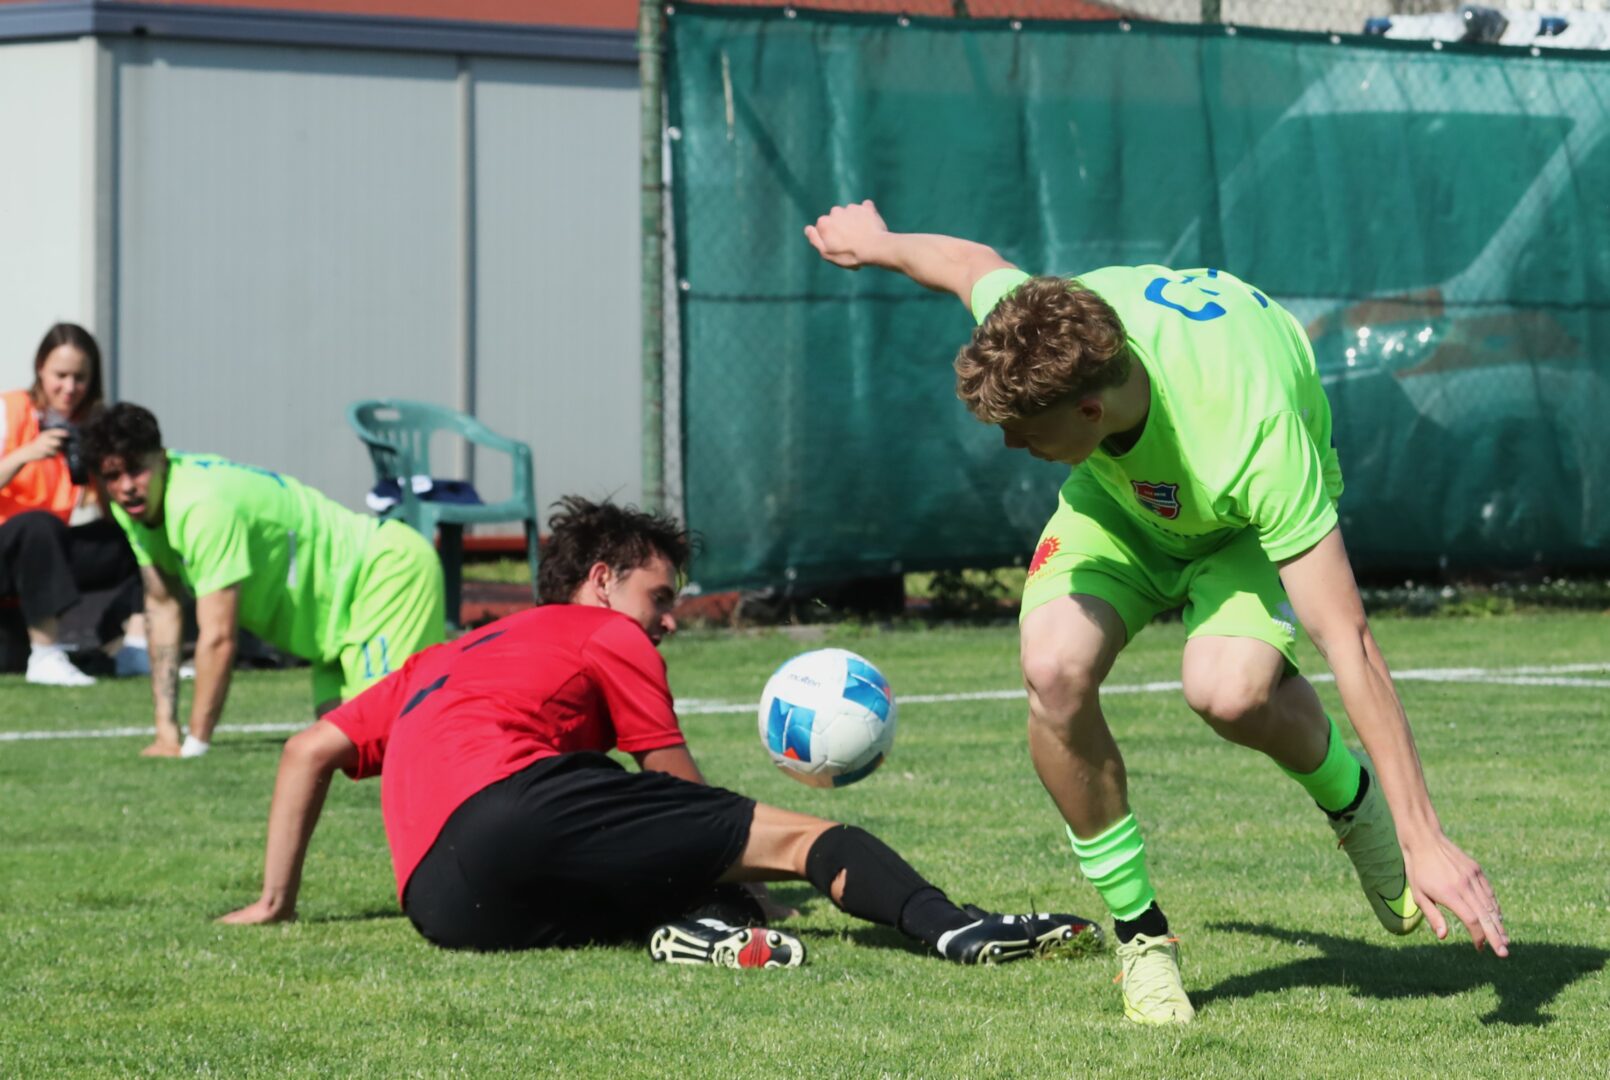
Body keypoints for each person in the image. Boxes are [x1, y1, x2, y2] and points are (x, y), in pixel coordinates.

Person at [804, 200, 1508, 1022]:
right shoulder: (1044, 320)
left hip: (1234, 526)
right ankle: (1142, 936)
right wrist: (879, 243)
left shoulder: (1253, 435)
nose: (1011, 446)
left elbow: (1347, 640)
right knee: (1052, 671)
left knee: (1230, 693)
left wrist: (1424, 836)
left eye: (1026, 432)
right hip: (1120, 513)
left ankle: (1351, 800)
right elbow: (969, 263)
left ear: (1090, 411)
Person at [219, 496, 1100, 968]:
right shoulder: (604, 632)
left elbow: (308, 750)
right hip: (513, 811)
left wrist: (276, 901)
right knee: (815, 840)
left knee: (648, 867)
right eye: (660, 597)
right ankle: (956, 928)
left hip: (443, 908)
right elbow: (675, 787)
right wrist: (770, 869)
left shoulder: (440, 658)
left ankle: (696, 931)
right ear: (602, 581)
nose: (668, 621)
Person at [81, 402, 446, 759]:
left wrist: (195, 745)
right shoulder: (133, 509)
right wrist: (166, 731)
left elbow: (219, 637)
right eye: (112, 476)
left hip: (386, 574)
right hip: (333, 624)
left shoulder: (202, 507)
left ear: (161, 459)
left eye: (136, 470)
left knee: (386, 744)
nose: (126, 487)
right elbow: (162, 606)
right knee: (343, 751)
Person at [0, 323, 145, 686]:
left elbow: (109, 512)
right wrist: (24, 455)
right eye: (60, 376)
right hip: (10, 547)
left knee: (136, 535)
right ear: (40, 369)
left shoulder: (89, 425)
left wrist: (103, 474)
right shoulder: (8, 410)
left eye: (80, 378)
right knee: (38, 525)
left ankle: (133, 646)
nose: (69, 388)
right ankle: (45, 654)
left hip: (46, 552)